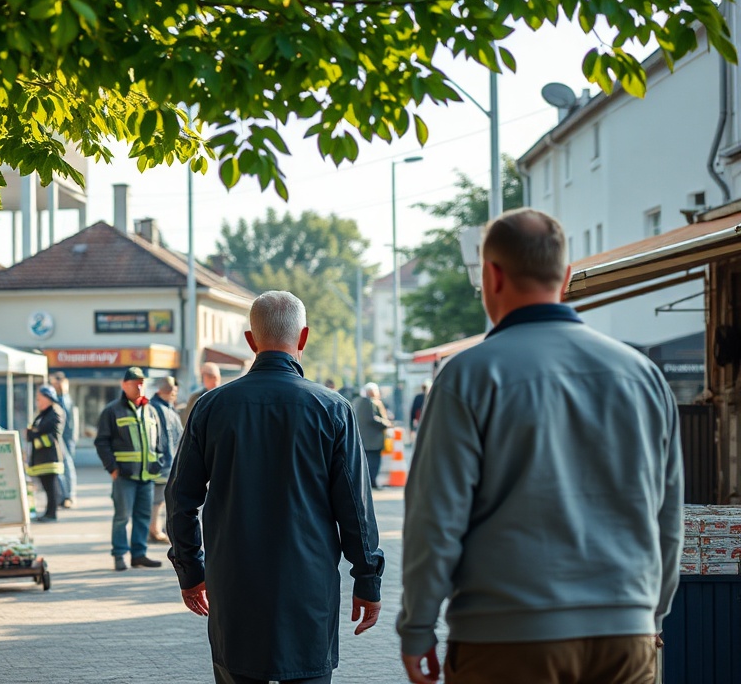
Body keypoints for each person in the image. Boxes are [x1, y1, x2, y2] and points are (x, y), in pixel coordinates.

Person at [397, 209, 683, 684]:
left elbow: (435, 519)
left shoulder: (468, 377)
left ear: (491, 274)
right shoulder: (643, 376)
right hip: (625, 637)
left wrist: (418, 625)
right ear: (566, 276)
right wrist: (651, 615)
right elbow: (668, 518)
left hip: (506, 639)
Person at [167, 291, 385, 684]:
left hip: (234, 587)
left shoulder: (211, 407)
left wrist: (190, 569)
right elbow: (355, 507)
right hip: (308, 591)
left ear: (251, 341)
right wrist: (367, 578)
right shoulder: (332, 409)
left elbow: (180, 500)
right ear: (303, 338)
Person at [94, 367, 165, 571]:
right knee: (122, 517)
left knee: (143, 516)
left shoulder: (150, 410)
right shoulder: (112, 410)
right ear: (124, 385)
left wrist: (158, 462)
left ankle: (139, 555)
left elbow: (159, 440)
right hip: (124, 475)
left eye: (143, 382)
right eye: (136, 383)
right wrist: (112, 469)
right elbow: (102, 442)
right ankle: (119, 555)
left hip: (147, 475)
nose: (140, 387)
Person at [149, 376, 184, 543]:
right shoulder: (160, 409)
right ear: (170, 391)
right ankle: (154, 530)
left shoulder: (166, 408)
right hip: (163, 462)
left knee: (162, 498)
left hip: (166, 461)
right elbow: (165, 438)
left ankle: (156, 529)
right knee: (158, 497)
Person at [26, 385, 66, 523]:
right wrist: (33, 433)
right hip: (43, 457)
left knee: (51, 487)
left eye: (39, 398)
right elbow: (33, 430)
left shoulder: (55, 412)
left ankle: (51, 513)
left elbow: (49, 434)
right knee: (47, 487)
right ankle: (48, 512)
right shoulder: (44, 413)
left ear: (48, 398)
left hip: (50, 457)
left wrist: (33, 434)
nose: (38, 401)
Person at [352, 382, 391, 489]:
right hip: (373, 440)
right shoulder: (372, 403)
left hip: (362, 439)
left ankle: (366, 482)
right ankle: (372, 482)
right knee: (374, 462)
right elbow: (374, 419)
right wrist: (387, 423)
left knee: (366, 462)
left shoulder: (357, 402)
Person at [50, 372, 78, 508]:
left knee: (67, 466)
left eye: (55, 383)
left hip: (65, 438)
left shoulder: (65, 399)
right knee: (61, 467)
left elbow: (70, 423)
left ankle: (69, 496)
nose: (54, 386)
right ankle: (63, 495)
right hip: (59, 438)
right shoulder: (59, 399)